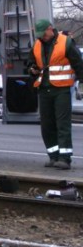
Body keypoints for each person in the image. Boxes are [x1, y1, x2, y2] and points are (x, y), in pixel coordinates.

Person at [28, 19, 83, 170]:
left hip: (62, 90)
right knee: (47, 125)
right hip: (44, 89)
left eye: (43, 34)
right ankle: (53, 156)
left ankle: (65, 158)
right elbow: (31, 63)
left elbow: (78, 64)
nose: (42, 37)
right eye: (39, 35)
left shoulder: (66, 43)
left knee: (62, 124)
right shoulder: (37, 44)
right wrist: (32, 69)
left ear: (50, 29)